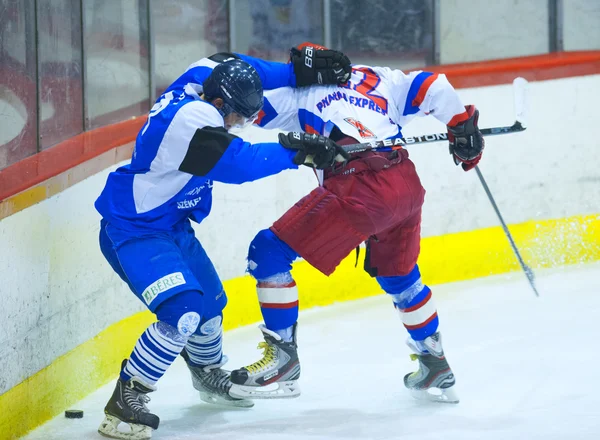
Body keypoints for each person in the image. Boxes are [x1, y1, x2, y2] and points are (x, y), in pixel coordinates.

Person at [94, 47, 351, 440]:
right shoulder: (188, 122)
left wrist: (296, 72)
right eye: (237, 117)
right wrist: (296, 151)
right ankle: (128, 396)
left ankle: (207, 373)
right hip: (134, 229)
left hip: (172, 224)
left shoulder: (201, 80)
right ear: (217, 103)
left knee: (212, 306)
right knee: (184, 313)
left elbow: (240, 66)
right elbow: (239, 164)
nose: (240, 124)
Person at [228, 43, 485, 404]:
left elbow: (243, 107)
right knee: (399, 275)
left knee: (267, 253)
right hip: (405, 185)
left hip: (360, 187)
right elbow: (433, 86)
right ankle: (434, 360)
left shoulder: (297, 93)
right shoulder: (376, 76)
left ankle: (283, 359)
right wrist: (463, 128)